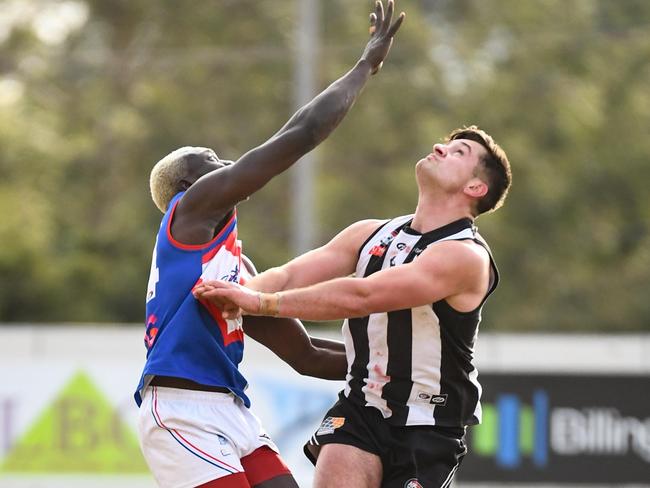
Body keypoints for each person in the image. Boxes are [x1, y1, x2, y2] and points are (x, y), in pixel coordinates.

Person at [135, 2, 406, 487]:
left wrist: (409, 366)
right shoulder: (189, 212)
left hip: (229, 409)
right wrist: (366, 65)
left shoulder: (233, 272)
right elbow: (299, 134)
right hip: (180, 408)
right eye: (210, 159)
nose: (226, 163)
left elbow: (306, 356)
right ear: (187, 188)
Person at [194, 125, 512, 488]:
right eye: (446, 143)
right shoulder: (370, 233)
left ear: (475, 188)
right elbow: (287, 274)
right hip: (360, 409)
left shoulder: (464, 255)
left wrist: (258, 302)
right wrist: (229, 296)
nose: (440, 148)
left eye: (459, 153)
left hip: (428, 423)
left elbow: (364, 296)